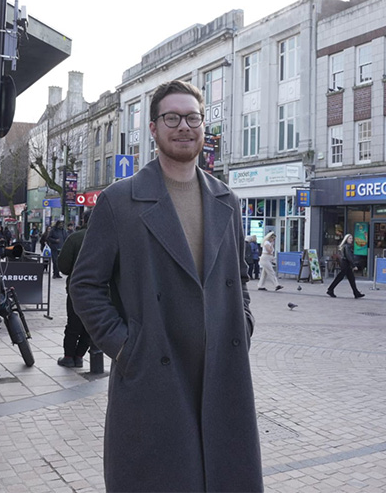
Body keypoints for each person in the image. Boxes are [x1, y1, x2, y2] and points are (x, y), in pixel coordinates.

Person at [69, 80, 262, 492]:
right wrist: (126, 347)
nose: (184, 127)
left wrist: (241, 325)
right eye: (171, 118)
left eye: (193, 118)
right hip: (154, 372)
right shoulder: (120, 200)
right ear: (153, 129)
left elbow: (239, 277)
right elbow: (84, 284)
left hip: (221, 372)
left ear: (203, 127)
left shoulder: (227, 200)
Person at [56, 210, 93, 368]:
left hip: (77, 288)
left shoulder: (75, 238)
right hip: (102, 290)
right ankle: (79, 356)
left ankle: (68, 357)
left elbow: (63, 266)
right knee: (92, 325)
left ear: (83, 220)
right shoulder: (109, 237)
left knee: (73, 324)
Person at [326, 234, 365, 298]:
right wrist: (354, 265)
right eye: (350, 238)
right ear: (346, 239)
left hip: (345, 264)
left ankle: (356, 293)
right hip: (345, 264)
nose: (351, 240)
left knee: (351, 278)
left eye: (352, 238)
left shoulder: (346, 246)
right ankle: (330, 289)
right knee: (340, 277)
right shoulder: (347, 246)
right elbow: (349, 257)